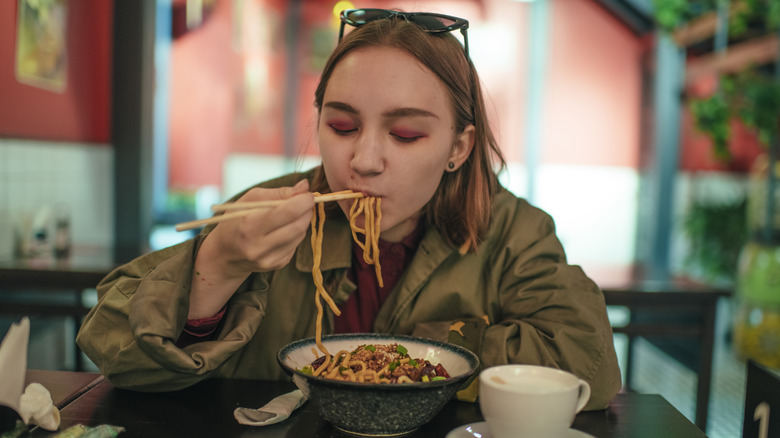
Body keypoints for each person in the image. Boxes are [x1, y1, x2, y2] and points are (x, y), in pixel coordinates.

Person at [76, 8, 621, 409]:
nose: (363, 160)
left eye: (405, 133)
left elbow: (589, 364)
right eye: (341, 126)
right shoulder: (269, 212)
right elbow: (113, 352)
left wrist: (403, 355)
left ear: (459, 147)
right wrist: (217, 266)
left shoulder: (513, 231)